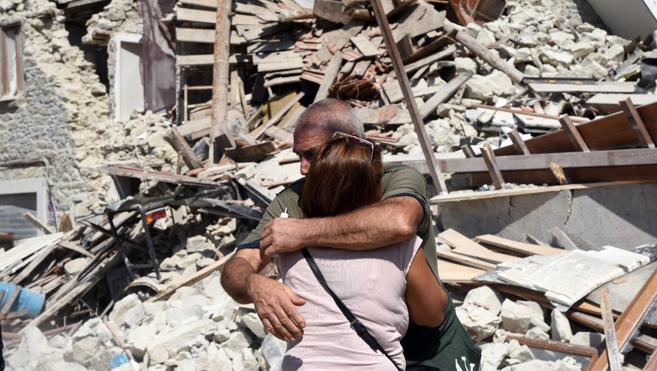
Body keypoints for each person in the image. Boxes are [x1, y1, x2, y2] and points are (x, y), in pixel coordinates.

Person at [221, 99, 480, 371]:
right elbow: (238, 267)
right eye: (299, 155)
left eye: (312, 154)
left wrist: (302, 232)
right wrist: (255, 284)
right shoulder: (292, 200)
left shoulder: (396, 179)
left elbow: (399, 222)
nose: (303, 168)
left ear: (351, 144)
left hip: (426, 344)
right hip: (360, 349)